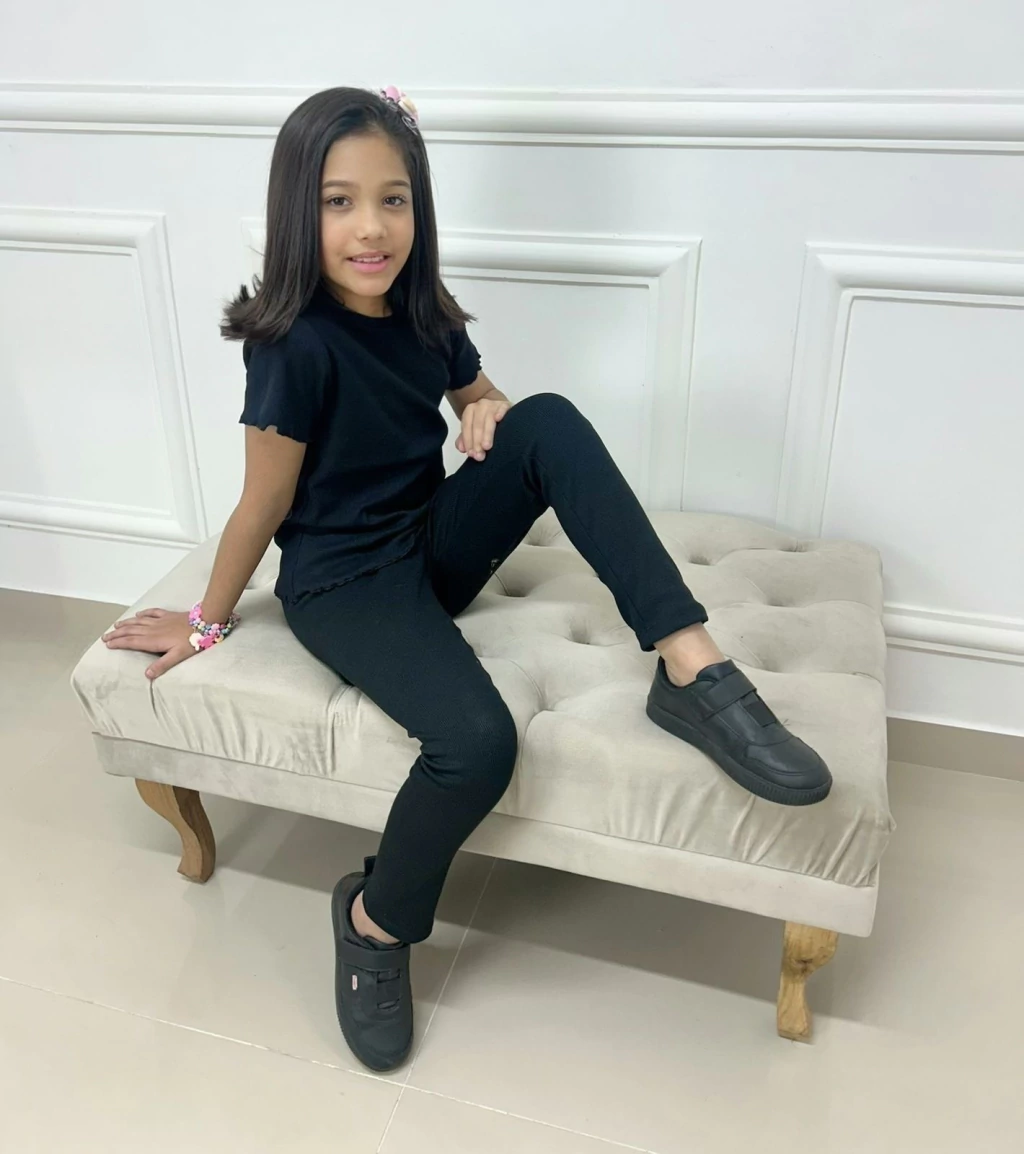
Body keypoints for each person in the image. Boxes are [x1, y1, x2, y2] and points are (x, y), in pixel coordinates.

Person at [101, 86, 831, 1073]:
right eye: (339, 202)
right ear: (296, 212)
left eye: (392, 200)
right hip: (344, 584)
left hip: (426, 546)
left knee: (546, 418)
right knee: (477, 742)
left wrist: (485, 410)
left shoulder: (424, 314)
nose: (371, 227)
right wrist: (205, 621)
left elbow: (482, 397)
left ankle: (690, 666)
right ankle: (374, 920)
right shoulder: (294, 346)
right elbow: (261, 505)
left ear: (419, 209)